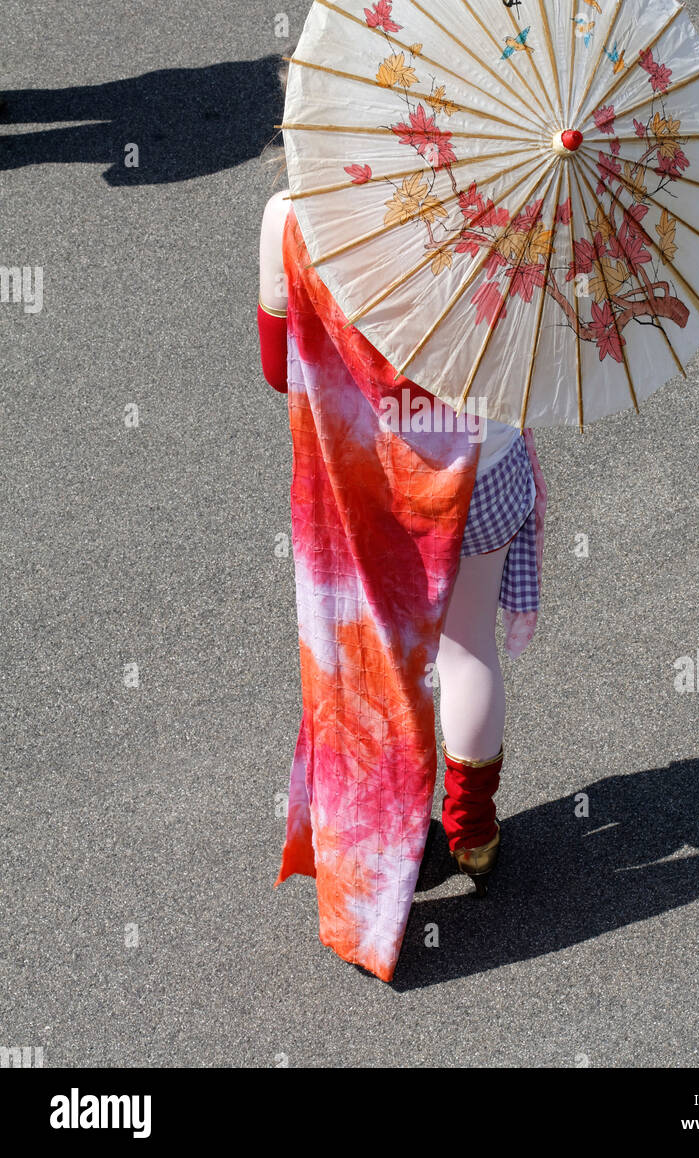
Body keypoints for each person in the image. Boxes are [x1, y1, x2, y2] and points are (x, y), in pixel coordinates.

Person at [258, 184, 546, 977]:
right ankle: (475, 832)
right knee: (466, 650)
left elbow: (279, 369)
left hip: (366, 489)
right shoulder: (492, 195)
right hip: (481, 470)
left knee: (372, 671)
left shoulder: (291, 216)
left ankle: (390, 840)